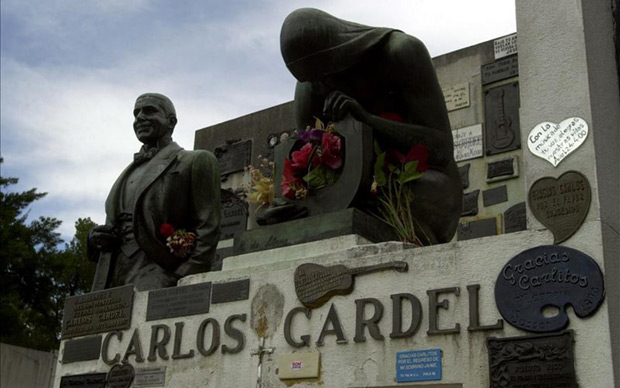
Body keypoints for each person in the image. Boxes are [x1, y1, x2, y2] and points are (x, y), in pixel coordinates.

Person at [279, 8, 462, 244]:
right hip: (350, 197)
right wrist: (289, 201)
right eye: (312, 78)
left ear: (338, 49)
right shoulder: (310, 86)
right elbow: (308, 169)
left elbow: (441, 149)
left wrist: (367, 120)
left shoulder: (401, 52)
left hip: (419, 182)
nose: (322, 82)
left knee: (421, 192)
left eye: (325, 71)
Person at [88, 93, 221, 291]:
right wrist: (94, 239)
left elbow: (208, 227)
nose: (140, 117)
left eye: (149, 111)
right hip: (112, 278)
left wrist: (181, 277)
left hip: (160, 273)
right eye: (136, 113)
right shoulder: (128, 172)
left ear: (171, 122)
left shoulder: (195, 161)